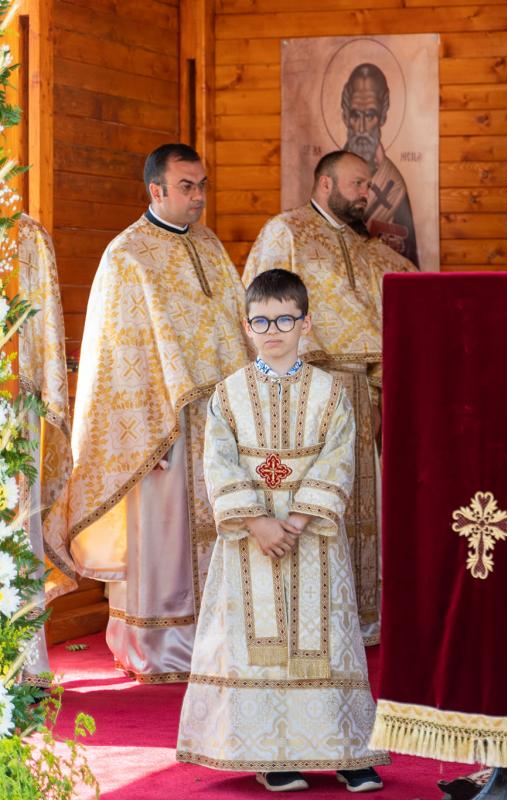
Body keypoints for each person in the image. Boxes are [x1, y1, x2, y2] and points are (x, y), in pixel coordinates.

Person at [45, 143, 251, 682]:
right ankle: (158, 647)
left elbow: (232, 323)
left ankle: (217, 643)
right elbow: (118, 353)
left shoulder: (209, 246)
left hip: (219, 418)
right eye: (187, 187)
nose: (199, 197)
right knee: (166, 538)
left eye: (202, 185)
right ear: (155, 190)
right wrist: (147, 433)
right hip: (162, 426)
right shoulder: (127, 255)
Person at [176, 269, 387, 792]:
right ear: (247, 327)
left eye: (284, 319)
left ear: (305, 324)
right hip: (250, 542)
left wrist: (294, 520)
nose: (273, 330)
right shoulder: (227, 396)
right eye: (261, 321)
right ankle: (269, 754)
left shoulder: (331, 393)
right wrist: (258, 522)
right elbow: (219, 464)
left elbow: (340, 458)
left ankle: (345, 749)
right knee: (257, 648)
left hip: (312, 535)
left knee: (328, 640)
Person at [242, 149, 415, 644]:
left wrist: (380, 388)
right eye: (358, 183)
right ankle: (310, 617)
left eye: (368, 185)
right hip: (308, 387)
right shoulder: (287, 232)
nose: (366, 193)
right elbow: (262, 309)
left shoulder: (365, 246)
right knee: (310, 500)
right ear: (324, 183)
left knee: (359, 503)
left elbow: (383, 318)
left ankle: (360, 617)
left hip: (359, 387)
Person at [16, 214, 72, 684]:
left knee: (13, 537)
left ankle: (20, 670)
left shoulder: (26, 236)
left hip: (11, 415)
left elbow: (44, 337)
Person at [341, 63, 420, 264]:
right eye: (355, 115)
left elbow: (408, 263)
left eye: (370, 115)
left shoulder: (393, 185)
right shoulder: (331, 176)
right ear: (345, 116)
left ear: (383, 116)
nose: (361, 127)